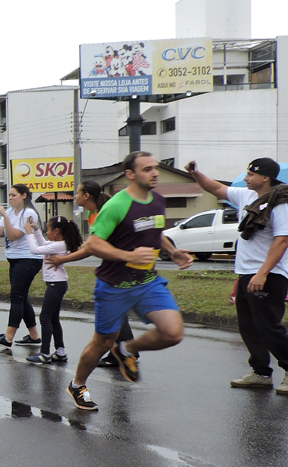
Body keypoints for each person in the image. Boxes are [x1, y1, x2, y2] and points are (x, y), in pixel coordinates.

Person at [67, 152, 192, 411]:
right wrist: (128, 255)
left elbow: (155, 232)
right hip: (114, 286)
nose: (155, 173)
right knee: (102, 342)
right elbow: (93, 243)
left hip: (147, 282)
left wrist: (173, 251)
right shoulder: (116, 205)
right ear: (130, 174)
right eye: (147, 169)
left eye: (155, 168)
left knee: (173, 333)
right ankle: (78, 384)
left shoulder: (158, 200)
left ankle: (126, 349)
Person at [187, 157, 288, 392]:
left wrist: (263, 273)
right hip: (246, 273)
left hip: (268, 275)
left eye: (251, 175)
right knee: (248, 325)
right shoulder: (246, 195)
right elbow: (215, 188)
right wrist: (195, 173)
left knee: (269, 326)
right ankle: (261, 373)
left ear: (266, 178)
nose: (246, 178)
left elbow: (282, 240)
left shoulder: (281, 203)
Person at [45, 180, 134, 367]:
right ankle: (125, 351)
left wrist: (64, 259)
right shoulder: (94, 214)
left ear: (86, 196)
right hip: (114, 264)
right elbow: (91, 245)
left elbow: (90, 249)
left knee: (112, 308)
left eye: (77, 193)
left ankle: (123, 352)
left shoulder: (103, 212)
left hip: (122, 263)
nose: (75, 196)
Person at [0, 184, 43, 348]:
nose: (10, 198)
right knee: (22, 296)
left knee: (16, 296)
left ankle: (8, 337)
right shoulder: (11, 212)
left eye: (14, 195)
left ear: (24, 196)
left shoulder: (29, 213)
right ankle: (34, 336)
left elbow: (13, 236)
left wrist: (4, 215)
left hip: (29, 259)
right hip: (14, 258)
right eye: (9, 195)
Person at [24, 215, 82, 365]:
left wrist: (29, 233)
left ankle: (44, 353)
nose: (46, 232)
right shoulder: (59, 244)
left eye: (47, 229)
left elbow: (35, 249)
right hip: (58, 283)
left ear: (56, 231)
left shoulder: (59, 245)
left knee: (45, 317)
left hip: (56, 284)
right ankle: (60, 351)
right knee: (53, 318)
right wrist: (36, 230)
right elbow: (43, 244)